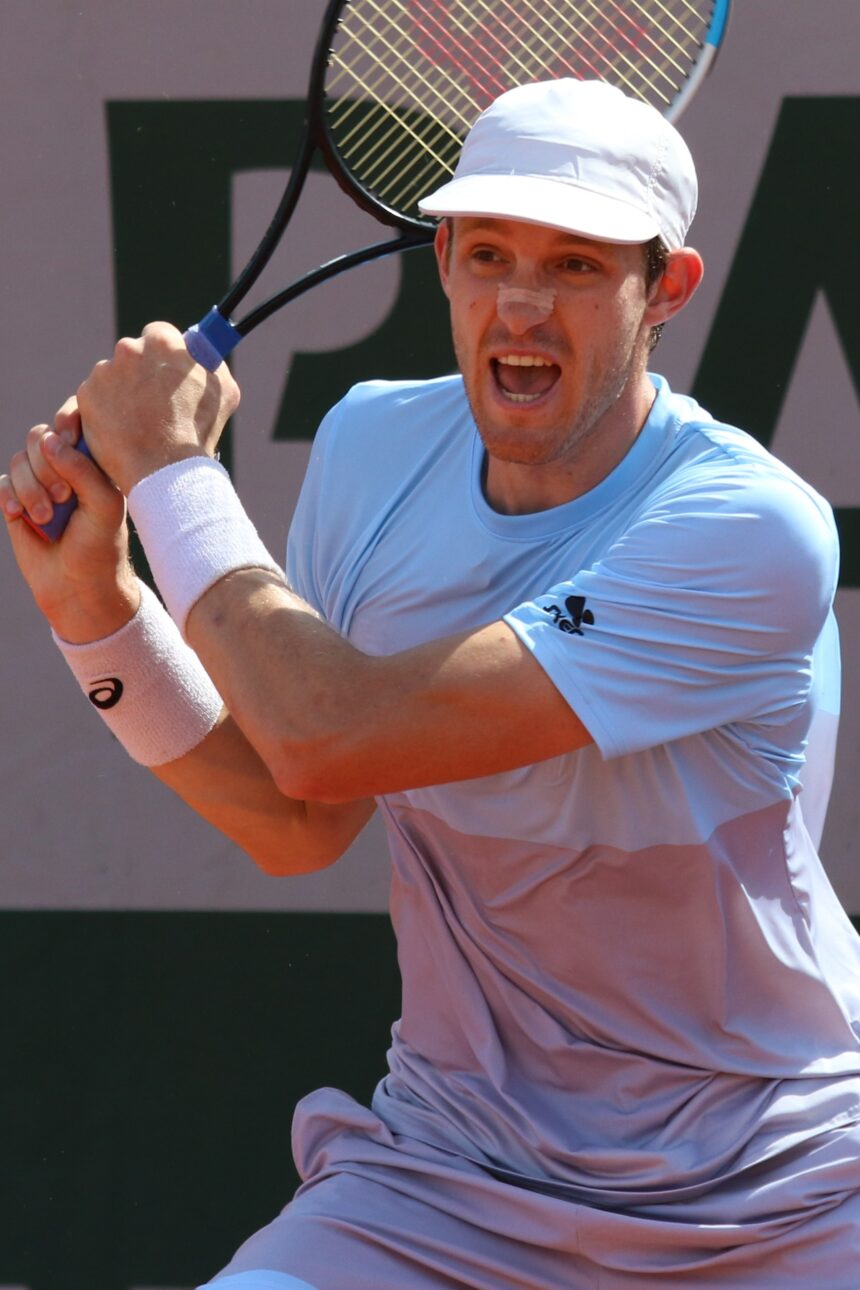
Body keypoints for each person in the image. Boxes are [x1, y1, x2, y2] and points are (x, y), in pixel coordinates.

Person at [2, 78, 859, 1288]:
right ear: (444, 258)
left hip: (777, 1196)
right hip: (445, 1179)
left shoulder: (748, 528)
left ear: (661, 290)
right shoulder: (372, 447)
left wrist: (174, 479)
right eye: (490, 252)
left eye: (573, 266)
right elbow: (298, 817)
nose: (518, 303)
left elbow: (327, 735)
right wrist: (96, 612)